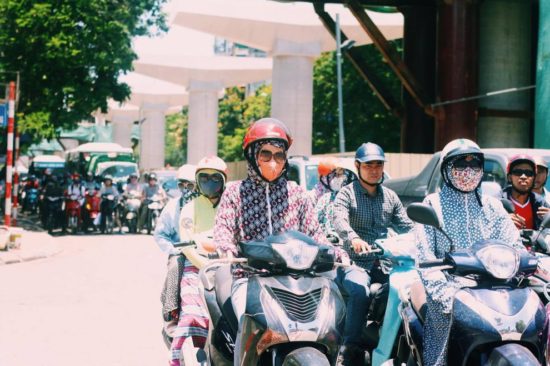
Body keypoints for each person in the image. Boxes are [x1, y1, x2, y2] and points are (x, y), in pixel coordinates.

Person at [214, 118, 346, 366]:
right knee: (245, 317)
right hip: (249, 276)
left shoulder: (296, 193)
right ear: (253, 155)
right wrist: (227, 249)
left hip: (300, 278)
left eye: (279, 155)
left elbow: (314, 233)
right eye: (266, 154)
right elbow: (222, 229)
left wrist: (335, 252)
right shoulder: (234, 192)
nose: (273, 162)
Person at [414, 138, 523, 365]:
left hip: (491, 289)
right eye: (460, 166)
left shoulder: (492, 205)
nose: (468, 172)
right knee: (441, 355)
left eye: (474, 166)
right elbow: (425, 258)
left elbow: (514, 246)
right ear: (446, 169)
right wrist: (446, 296)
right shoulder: (433, 204)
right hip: (450, 292)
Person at [331, 142, 414, 364]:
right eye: (369, 165)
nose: (374, 169)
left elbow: (407, 226)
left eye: (378, 164)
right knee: (360, 292)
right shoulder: (346, 194)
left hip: (387, 263)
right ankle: (349, 349)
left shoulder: (390, 197)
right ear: (357, 166)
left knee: (410, 290)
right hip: (356, 262)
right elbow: (338, 218)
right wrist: (353, 238)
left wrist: (428, 233)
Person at [154, 157, 227, 366]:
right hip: (189, 259)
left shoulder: (230, 205)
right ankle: (172, 323)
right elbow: (173, 240)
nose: (209, 182)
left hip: (227, 262)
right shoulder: (181, 206)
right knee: (175, 269)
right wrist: (201, 261)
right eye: (203, 178)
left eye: (215, 178)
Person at [500, 154, 550, 230]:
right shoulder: (497, 202)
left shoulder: (541, 203)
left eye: (528, 173)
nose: (523, 176)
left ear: (534, 178)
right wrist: (500, 220)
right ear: (509, 177)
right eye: (518, 172)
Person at [314, 158, 357, 239]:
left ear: (349, 177)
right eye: (335, 175)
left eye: (339, 175)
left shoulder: (358, 200)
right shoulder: (326, 198)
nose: (335, 178)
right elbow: (314, 221)